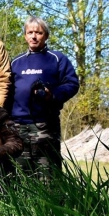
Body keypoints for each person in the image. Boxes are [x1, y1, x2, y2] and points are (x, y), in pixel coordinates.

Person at [11, 17, 79, 177]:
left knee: (48, 175)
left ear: (46, 36)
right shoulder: (16, 62)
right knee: (21, 175)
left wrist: (53, 95)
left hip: (45, 126)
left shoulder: (57, 59)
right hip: (18, 127)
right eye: (30, 32)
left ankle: (54, 202)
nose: (34, 36)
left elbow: (72, 84)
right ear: (25, 36)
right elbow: (6, 90)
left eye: (38, 33)